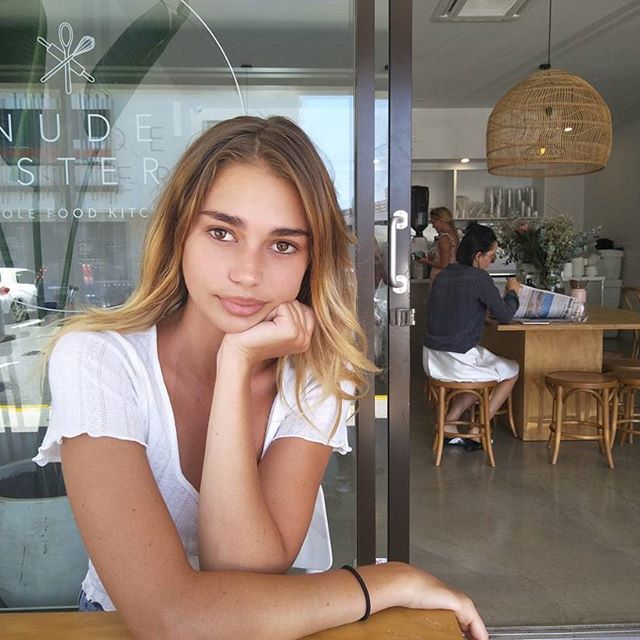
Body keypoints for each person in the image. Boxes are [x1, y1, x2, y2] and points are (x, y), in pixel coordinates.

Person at [33, 116, 487, 640]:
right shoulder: (97, 362)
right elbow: (169, 620)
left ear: (312, 260)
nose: (247, 274)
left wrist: (235, 365)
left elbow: (241, 567)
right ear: (179, 233)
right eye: (222, 233)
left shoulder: (316, 377)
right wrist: (387, 582)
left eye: (283, 245)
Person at [423, 222, 520, 451]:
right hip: (458, 358)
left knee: (480, 375)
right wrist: (513, 292)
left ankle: (449, 423)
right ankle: (478, 431)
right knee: (511, 371)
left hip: (432, 358)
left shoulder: (443, 275)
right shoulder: (479, 278)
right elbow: (505, 315)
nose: (491, 262)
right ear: (478, 256)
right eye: (491, 257)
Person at [419, 207, 459, 279]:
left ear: (440, 221)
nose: (433, 226)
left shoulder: (444, 238)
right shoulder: (453, 235)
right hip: (448, 276)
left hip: (440, 277)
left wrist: (426, 261)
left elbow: (444, 265)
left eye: (433, 223)